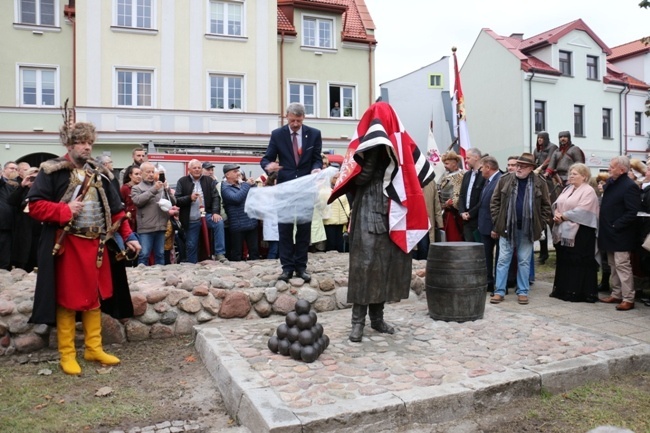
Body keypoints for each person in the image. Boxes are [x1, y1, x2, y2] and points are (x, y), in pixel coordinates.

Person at [26, 121, 141, 375]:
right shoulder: (51, 171)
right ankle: (67, 354)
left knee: (95, 296)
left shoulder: (100, 173)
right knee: (68, 299)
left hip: (98, 245)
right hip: (68, 245)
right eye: (82, 142)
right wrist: (64, 210)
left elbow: (116, 210)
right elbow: (34, 206)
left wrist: (129, 235)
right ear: (70, 144)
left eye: (90, 142)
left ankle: (93, 348)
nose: (87, 147)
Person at [328, 102, 435, 342]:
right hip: (370, 209)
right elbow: (362, 176)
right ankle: (358, 322)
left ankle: (377, 319)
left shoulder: (392, 142)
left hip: (389, 210)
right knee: (364, 268)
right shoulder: (376, 143)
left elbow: (412, 170)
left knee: (384, 267)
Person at [260, 102, 323, 282]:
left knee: (304, 229)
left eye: (298, 120)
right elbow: (267, 158)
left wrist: (316, 169)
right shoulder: (277, 134)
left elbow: (317, 159)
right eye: (292, 120)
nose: (295, 123)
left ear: (303, 118)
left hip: (306, 187)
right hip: (285, 187)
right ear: (286, 116)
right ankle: (287, 268)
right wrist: (268, 166)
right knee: (285, 229)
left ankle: (301, 267)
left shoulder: (314, 134)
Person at [490, 152, 551, 305]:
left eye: (523, 166)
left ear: (531, 168)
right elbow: (495, 201)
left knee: (524, 261)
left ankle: (522, 291)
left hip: (527, 229)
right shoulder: (505, 180)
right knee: (503, 260)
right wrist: (498, 221)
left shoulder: (540, 182)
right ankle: (499, 291)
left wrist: (540, 223)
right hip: (506, 228)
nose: (518, 168)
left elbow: (546, 206)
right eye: (518, 165)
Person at [549, 163, 600, 303]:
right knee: (565, 260)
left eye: (575, 173)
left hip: (581, 232)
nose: (571, 176)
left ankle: (577, 292)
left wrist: (563, 216)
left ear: (584, 176)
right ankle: (563, 289)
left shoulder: (588, 191)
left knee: (578, 262)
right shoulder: (567, 189)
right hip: (564, 230)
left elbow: (583, 211)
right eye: (570, 173)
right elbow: (557, 203)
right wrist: (556, 214)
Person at [598, 156, 642, 311]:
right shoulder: (611, 183)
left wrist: (616, 224)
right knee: (612, 265)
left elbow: (632, 211)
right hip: (609, 232)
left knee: (622, 265)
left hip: (621, 233)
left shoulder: (629, 186)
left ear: (622, 169)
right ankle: (616, 293)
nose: (609, 169)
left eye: (612, 166)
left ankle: (628, 298)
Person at [175, 159, 226, 263]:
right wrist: (189, 198)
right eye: (194, 168)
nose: (197, 170)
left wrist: (215, 212)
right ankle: (191, 264)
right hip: (191, 218)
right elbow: (177, 200)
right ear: (189, 169)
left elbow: (216, 197)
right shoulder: (182, 181)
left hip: (205, 214)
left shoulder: (209, 180)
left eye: (199, 167)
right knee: (191, 244)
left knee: (218, 222)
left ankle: (220, 253)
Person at [131, 162, 177, 266]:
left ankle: (159, 277)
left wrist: (167, 190)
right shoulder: (137, 188)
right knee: (144, 254)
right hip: (146, 227)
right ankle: (142, 277)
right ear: (141, 173)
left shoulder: (160, 187)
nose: (151, 174)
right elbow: (137, 201)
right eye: (148, 172)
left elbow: (173, 202)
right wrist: (154, 189)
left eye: (152, 172)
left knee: (160, 254)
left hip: (161, 226)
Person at [221, 164, 259, 261]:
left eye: (238, 171)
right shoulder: (225, 187)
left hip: (251, 222)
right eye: (235, 171)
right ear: (227, 175)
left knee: (254, 251)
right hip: (237, 224)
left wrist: (253, 185)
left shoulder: (242, 184)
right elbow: (236, 198)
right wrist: (247, 184)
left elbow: (255, 196)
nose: (238, 173)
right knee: (237, 252)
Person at [7, 167, 41, 272]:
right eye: (32, 178)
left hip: (38, 231)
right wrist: (23, 185)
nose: (33, 181)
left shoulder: (43, 190)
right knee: (22, 260)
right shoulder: (21, 190)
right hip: (23, 230)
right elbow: (12, 201)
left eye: (37, 178)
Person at [477, 156, 502, 293]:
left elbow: (500, 206)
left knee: (499, 257)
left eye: (482, 168)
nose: (480, 171)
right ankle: (488, 283)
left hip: (494, 227)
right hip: (485, 226)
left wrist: (496, 226)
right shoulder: (488, 182)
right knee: (486, 256)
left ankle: (499, 285)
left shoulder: (500, 180)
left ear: (488, 167)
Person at [533, 132, 558, 264]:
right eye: (538, 138)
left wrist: (541, 168)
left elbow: (550, 161)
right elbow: (533, 161)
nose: (540, 140)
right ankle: (543, 253)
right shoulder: (536, 150)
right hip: (538, 177)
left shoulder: (553, 147)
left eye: (542, 138)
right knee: (541, 223)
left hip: (549, 177)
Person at [458, 147, 485, 242]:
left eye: (468, 158)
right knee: (468, 247)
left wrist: (471, 213)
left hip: (478, 218)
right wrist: (462, 212)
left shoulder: (484, 175)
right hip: (466, 219)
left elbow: (483, 199)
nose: (466, 161)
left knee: (480, 248)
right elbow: (461, 196)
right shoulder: (467, 175)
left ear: (476, 157)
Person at [437, 150, 464, 242]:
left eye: (447, 163)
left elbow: (459, 193)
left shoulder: (462, 175)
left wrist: (453, 203)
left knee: (455, 237)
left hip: (456, 212)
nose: (445, 166)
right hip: (445, 211)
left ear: (454, 163)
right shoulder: (444, 176)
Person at [323, 171, 350, 253]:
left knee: (340, 243)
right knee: (331, 243)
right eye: (335, 178)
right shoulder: (325, 191)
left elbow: (345, 204)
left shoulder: (341, 189)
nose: (337, 179)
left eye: (338, 177)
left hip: (341, 221)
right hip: (330, 220)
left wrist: (348, 215)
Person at [0, 161, 19, 270]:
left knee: (4, 259)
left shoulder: (10, 186)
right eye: (11, 168)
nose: (14, 171)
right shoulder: (3, 183)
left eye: (15, 169)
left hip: (7, 226)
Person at [120, 165, 142, 233]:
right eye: (136, 174)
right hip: (130, 222)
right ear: (130, 175)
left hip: (142, 222)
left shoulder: (143, 188)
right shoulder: (125, 188)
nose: (139, 176)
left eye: (140, 174)